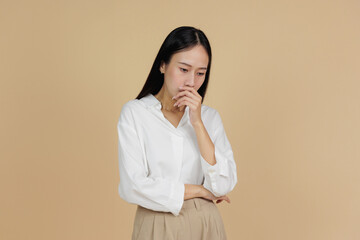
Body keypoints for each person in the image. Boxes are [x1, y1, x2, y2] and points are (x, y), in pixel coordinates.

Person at [117, 26, 237, 240]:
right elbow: (133, 186)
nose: (192, 82)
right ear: (163, 65)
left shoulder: (209, 118)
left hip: (206, 224)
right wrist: (199, 191)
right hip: (155, 223)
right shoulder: (135, 114)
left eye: (200, 73)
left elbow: (222, 185)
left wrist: (197, 123)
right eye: (184, 69)